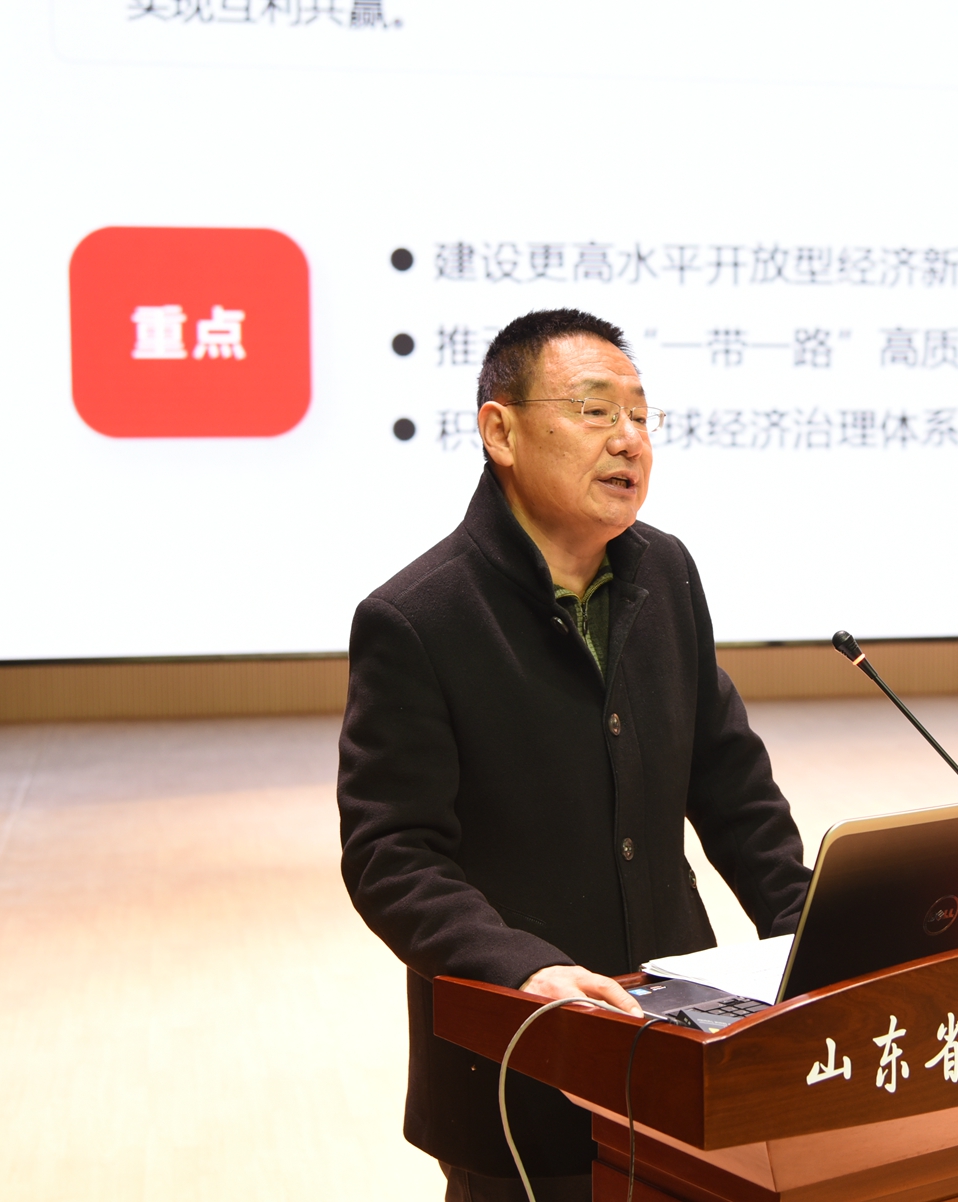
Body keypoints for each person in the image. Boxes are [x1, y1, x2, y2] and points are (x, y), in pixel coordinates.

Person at [337, 309, 811, 1202]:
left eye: (641, 415)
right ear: (501, 432)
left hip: (681, 1044)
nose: (629, 439)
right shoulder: (419, 618)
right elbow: (391, 855)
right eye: (595, 411)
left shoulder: (665, 573)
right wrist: (519, 967)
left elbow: (733, 787)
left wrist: (813, 930)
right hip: (517, 1061)